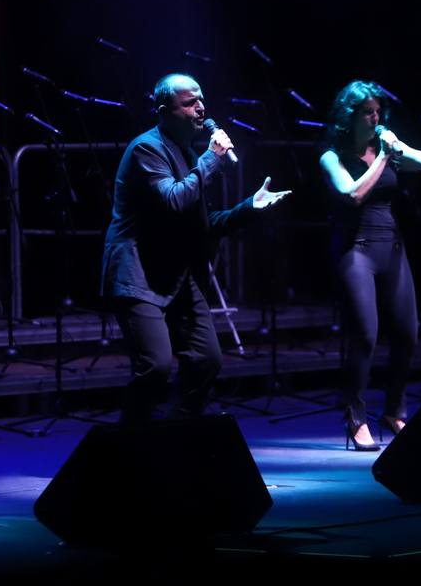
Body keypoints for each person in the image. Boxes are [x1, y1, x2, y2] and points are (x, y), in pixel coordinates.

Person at [101, 73, 290, 424]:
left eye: (201, 99)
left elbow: (203, 222)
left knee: (206, 360)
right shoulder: (147, 149)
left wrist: (250, 207)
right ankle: (128, 446)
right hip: (138, 273)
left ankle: (175, 441)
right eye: (189, 102)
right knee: (155, 366)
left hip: (177, 274)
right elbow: (174, 200)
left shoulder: (188, 153)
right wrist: (211, 160)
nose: (200, 107)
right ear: (163, 111)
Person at [319, 80, 421, 450]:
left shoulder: (386, 147)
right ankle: (356, 415)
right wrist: (383, 157)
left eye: (378, 111)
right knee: (365, 334)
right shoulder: (332, 155)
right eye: (367, 112)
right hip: (355, 250)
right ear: (350, 116)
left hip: (391, 247)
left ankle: (394, 411)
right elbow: (353, 193)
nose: (375, 118)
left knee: (408, 333)